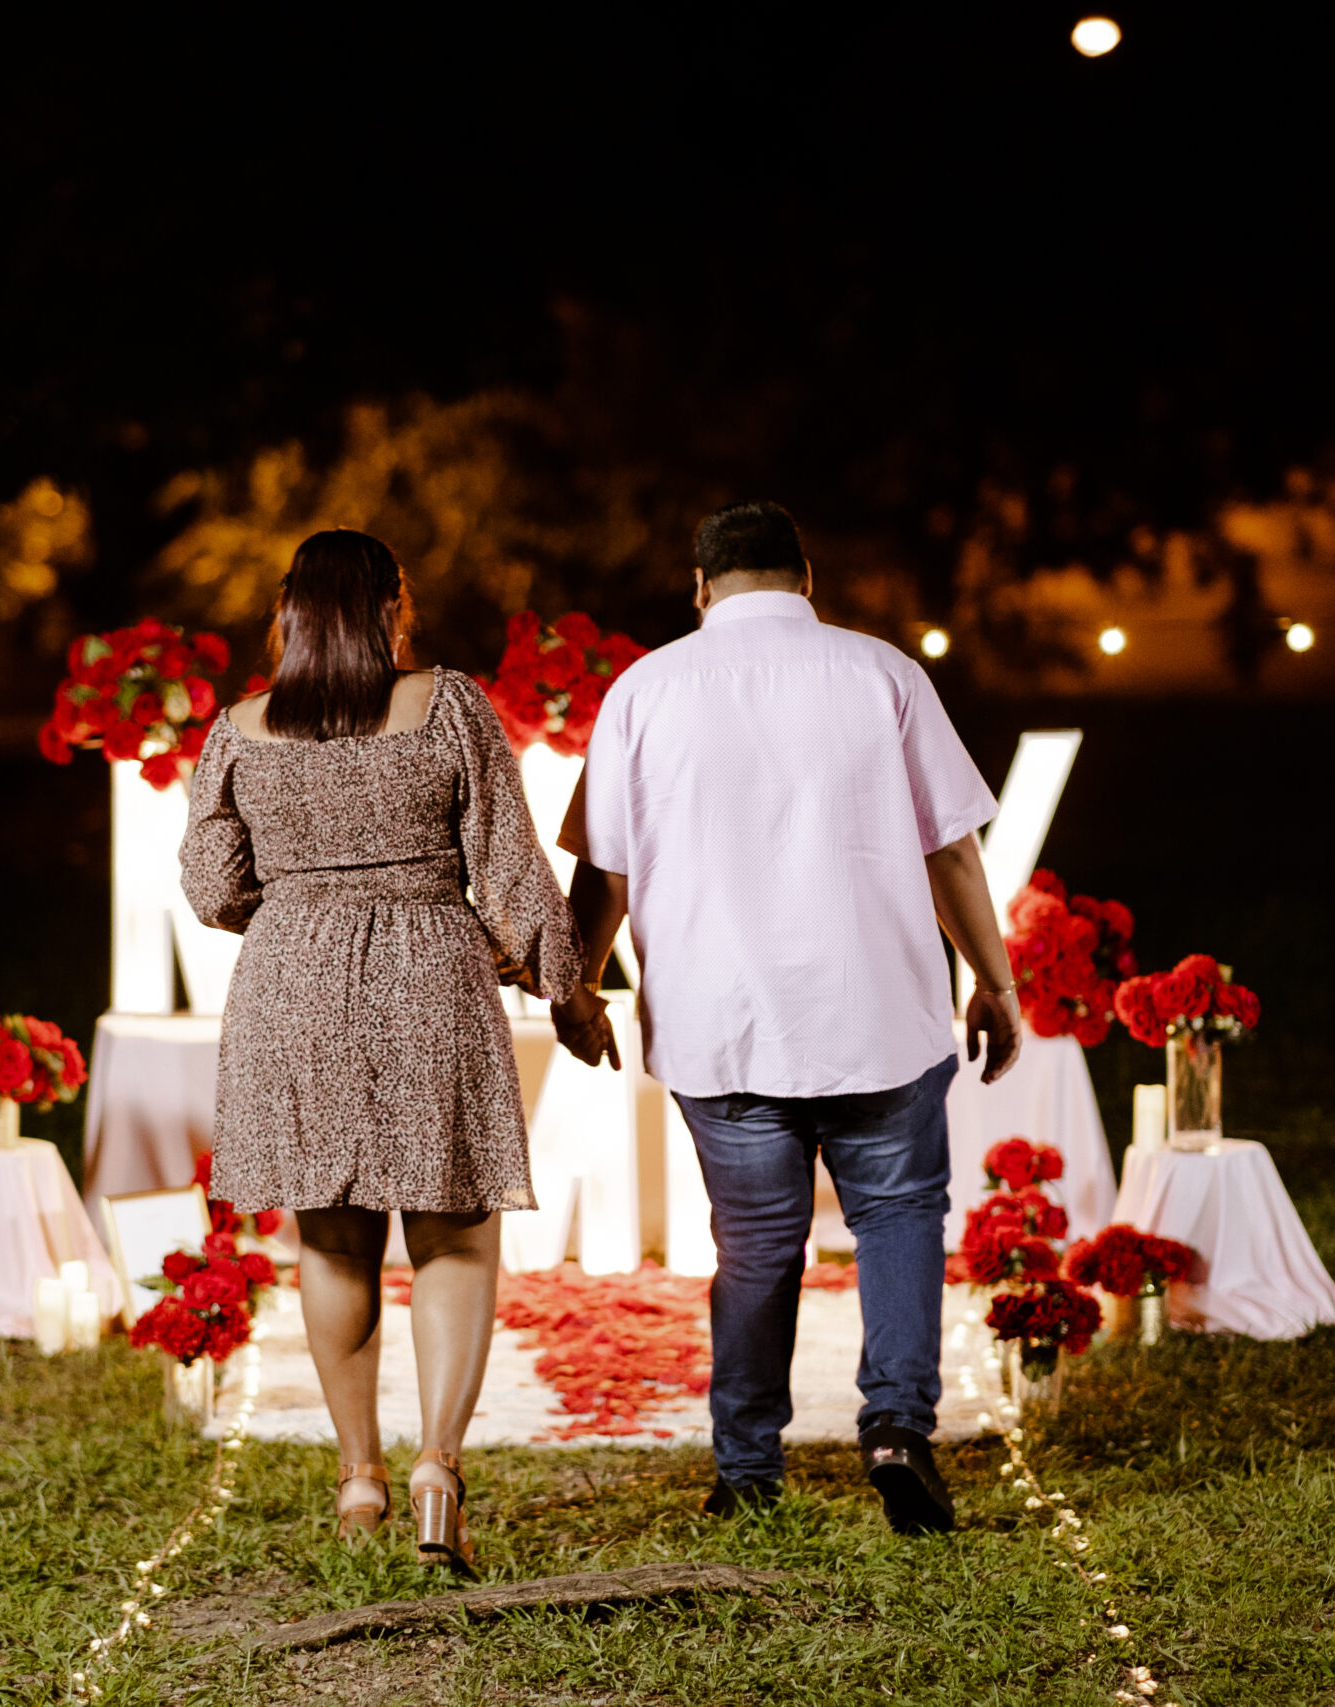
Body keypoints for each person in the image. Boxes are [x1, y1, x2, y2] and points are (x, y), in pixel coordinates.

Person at [550, 500, 1019, 1535]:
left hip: (724, 1025)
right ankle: (896, 1430)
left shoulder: (645, 689)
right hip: (879, 1013)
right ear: (807, 577)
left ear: (698, 585)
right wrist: (994, 979)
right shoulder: (881, 672)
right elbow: (951, 849)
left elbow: (606, 870)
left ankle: (748, 1469)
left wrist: (576, 988)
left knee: (757, 1246)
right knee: (898, 1221)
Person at [181, 528, 582, 1574]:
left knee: (332, 1237)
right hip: (428, 968)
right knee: (452, 1233)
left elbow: (212, 886)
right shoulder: (445, 704)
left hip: (291, 980)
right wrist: (567, 987)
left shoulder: (239, 729)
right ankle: (436, 1470)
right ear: (391, 606)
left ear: (290, 614)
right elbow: (508, 866)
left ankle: (358, 1476)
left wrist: (304, 904)